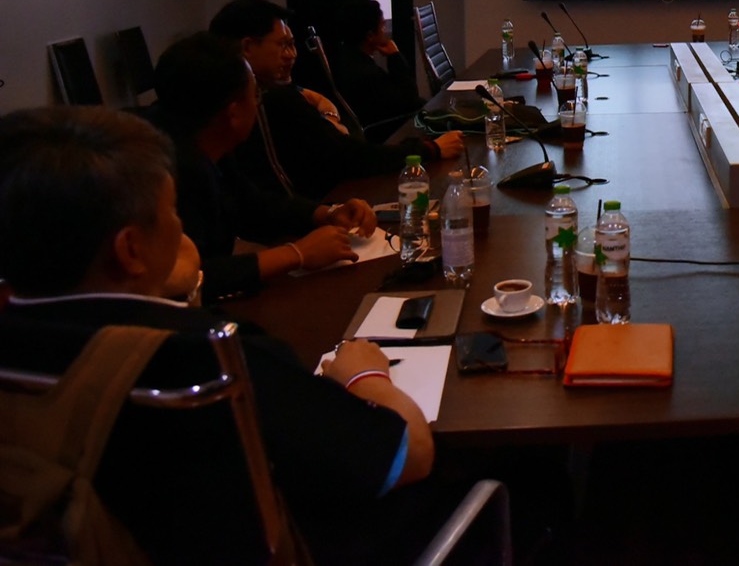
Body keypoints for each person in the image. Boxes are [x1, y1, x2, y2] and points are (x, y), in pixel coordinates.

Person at [0, 106, 434, 563]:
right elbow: (410, 454)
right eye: (171, 212)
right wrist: (365, 376)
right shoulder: (205, 357)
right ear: (130, 250)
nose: (180, 228)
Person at [151, 32, 371, 301]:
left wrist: (328, 214)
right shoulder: (166, 173)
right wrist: (296, 254)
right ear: (233, 112)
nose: (258, 103)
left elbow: (252, 206)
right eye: (255, 95)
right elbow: (188, 277)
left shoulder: (209, 143)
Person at [210, 0, 462, 200]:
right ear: (247, 48)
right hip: (317, 212)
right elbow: (348, 156)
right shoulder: (273, 100)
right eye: (283, 45)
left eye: (292, 45)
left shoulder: (247, 94)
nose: (291, 55)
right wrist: (430, 149)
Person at [335, 0, 426, 140]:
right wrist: (395, 56)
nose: (385, 31)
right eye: (382, 26)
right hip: (387, 135)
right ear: (370, 36)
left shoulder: (348, 58)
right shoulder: (367, 74)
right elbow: (410, 99)